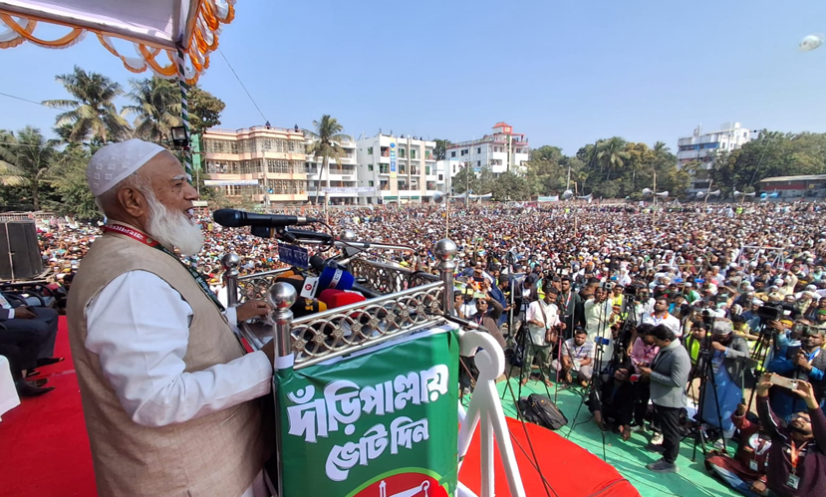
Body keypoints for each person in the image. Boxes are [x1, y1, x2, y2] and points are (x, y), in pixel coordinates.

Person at [67, 140, 275, 497]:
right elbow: (156, 400)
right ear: (133, 201)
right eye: (177, 185)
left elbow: (171, 327)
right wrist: (267, 362)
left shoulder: (138, 251)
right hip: (187, 480)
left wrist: (229, 317)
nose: (193, 194)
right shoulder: (132, 278)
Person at [755, 374, 826, 497]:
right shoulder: (781, 436)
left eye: (806, 420)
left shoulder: (820, 447)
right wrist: (762, 391)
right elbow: (766, 416)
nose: (799, 419)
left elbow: (822, 429)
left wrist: (811, 400)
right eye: (796, 416)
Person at [639, 324, 691, 473]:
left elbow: (677, 381)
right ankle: (664, 447)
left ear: (667, 340)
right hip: (661, 397)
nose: (654, 343)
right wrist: (649, 366)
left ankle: (669, 461)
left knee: (670, 430)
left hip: (671, 401)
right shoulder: (666, 349)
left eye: (657, 341)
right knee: (664, 426)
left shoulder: (679, 355)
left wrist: (651, 374)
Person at [704, 402, 772, 497]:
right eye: (760, 420)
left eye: (764, 421)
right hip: (741, 468)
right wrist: (740, 413)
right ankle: (747, 489)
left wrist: (762, 481)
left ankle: (750, 487)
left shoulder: (779, 443)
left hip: (761, 477)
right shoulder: (752, 429)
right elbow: (741, 423)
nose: (760, 422)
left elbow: (777, 471)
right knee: (714, 460)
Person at [700, 319, 752, 444]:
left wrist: (724, 349)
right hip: (712, 376)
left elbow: (745, 356)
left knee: (727, 408)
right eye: (717, 336)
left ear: (729, 334)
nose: (719, 339)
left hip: (731, 379)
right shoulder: (710, 339)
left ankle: (725, 435)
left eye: (722, 337)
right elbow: (703, 355)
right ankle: (708, 428)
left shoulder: (738, 340)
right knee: (710, 403)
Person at [521, 285, 560, 387]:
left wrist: (560, 324)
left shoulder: (555, 307)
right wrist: (535, 322)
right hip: (533, 337)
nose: (552, 300)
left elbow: (556, 321)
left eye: (554, 298)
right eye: (550, 297)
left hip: (547, 338)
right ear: (545, 294)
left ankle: (545, 377)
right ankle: (525, 376)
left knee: (547, 361)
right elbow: (526, 318)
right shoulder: (534, 305)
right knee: (528, 359)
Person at [588, 360, 636, 440]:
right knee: (593, 405)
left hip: (617, 410)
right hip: (603, 406)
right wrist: (596, 410)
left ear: (627, 378)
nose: (619, 373)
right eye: (618, 371)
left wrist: (626, 426)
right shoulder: (604, 378)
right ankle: (603, 418)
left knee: (622, 416)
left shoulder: (629, 389)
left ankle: (619, 424)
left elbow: (628, 407)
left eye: (623, 373)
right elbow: (594, 394)